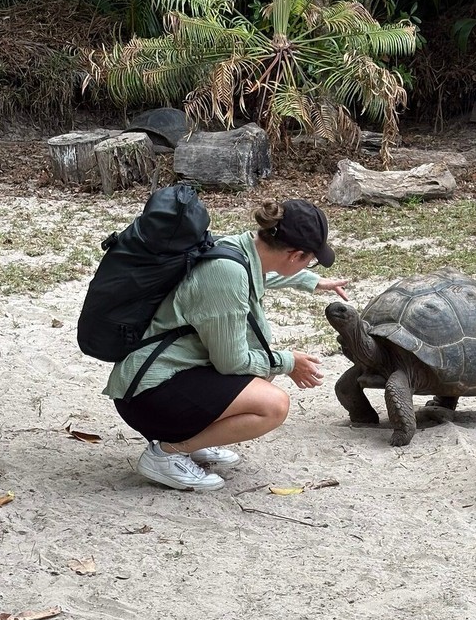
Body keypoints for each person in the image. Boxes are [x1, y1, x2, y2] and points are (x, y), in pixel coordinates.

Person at [104, 199, 348, 491]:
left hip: (161, 378)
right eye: (312, 259)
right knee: (273, 404)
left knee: (260, 372)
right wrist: (288, 362)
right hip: (148, 396)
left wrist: (312, 280)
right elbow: (231, 362)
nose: (311, 263)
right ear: (295, 255)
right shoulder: (227, 274)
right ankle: (169, 453)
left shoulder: (240, 247)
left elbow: (261, 276)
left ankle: (196, 439)